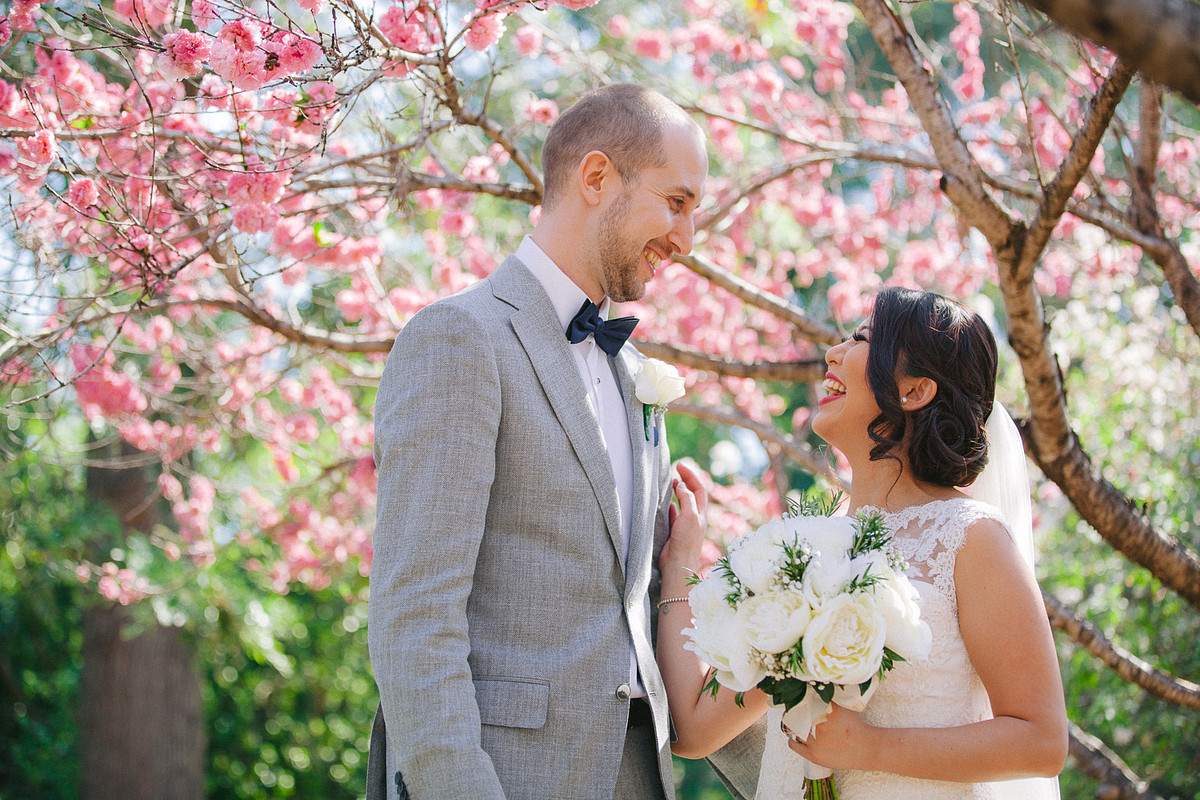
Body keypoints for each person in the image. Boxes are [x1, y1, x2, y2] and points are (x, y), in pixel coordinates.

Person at [367, 83, 761, 800]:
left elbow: (626, 607)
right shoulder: (460, 339)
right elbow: (414, 618)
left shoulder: (635, 372)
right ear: (597, 177)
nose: (687, 239)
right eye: (677, 202)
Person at [656, 286, 1069, 799]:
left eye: (862, 339)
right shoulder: (804, 554)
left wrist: (869, 748)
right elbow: (694, 728)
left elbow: (1042, 740)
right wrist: (679, 566)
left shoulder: (972, 539)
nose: (833, 352)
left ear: (915, 391)